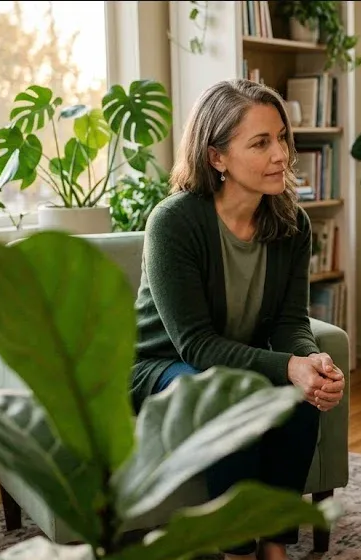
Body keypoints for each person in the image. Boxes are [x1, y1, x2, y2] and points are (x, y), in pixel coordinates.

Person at [131, 78, 345, 560]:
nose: (281, 155)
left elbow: (290, 321)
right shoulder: (175, 222)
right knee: (231, 394)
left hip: (232, 361)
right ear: (217, 157)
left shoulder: (291, 221)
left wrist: (310, 361)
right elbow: (196, 346)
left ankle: (274, 544)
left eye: (282, 138)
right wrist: (285, 366)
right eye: (260, 143)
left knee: (304, 393)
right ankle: (236, 552)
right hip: (162, 366)